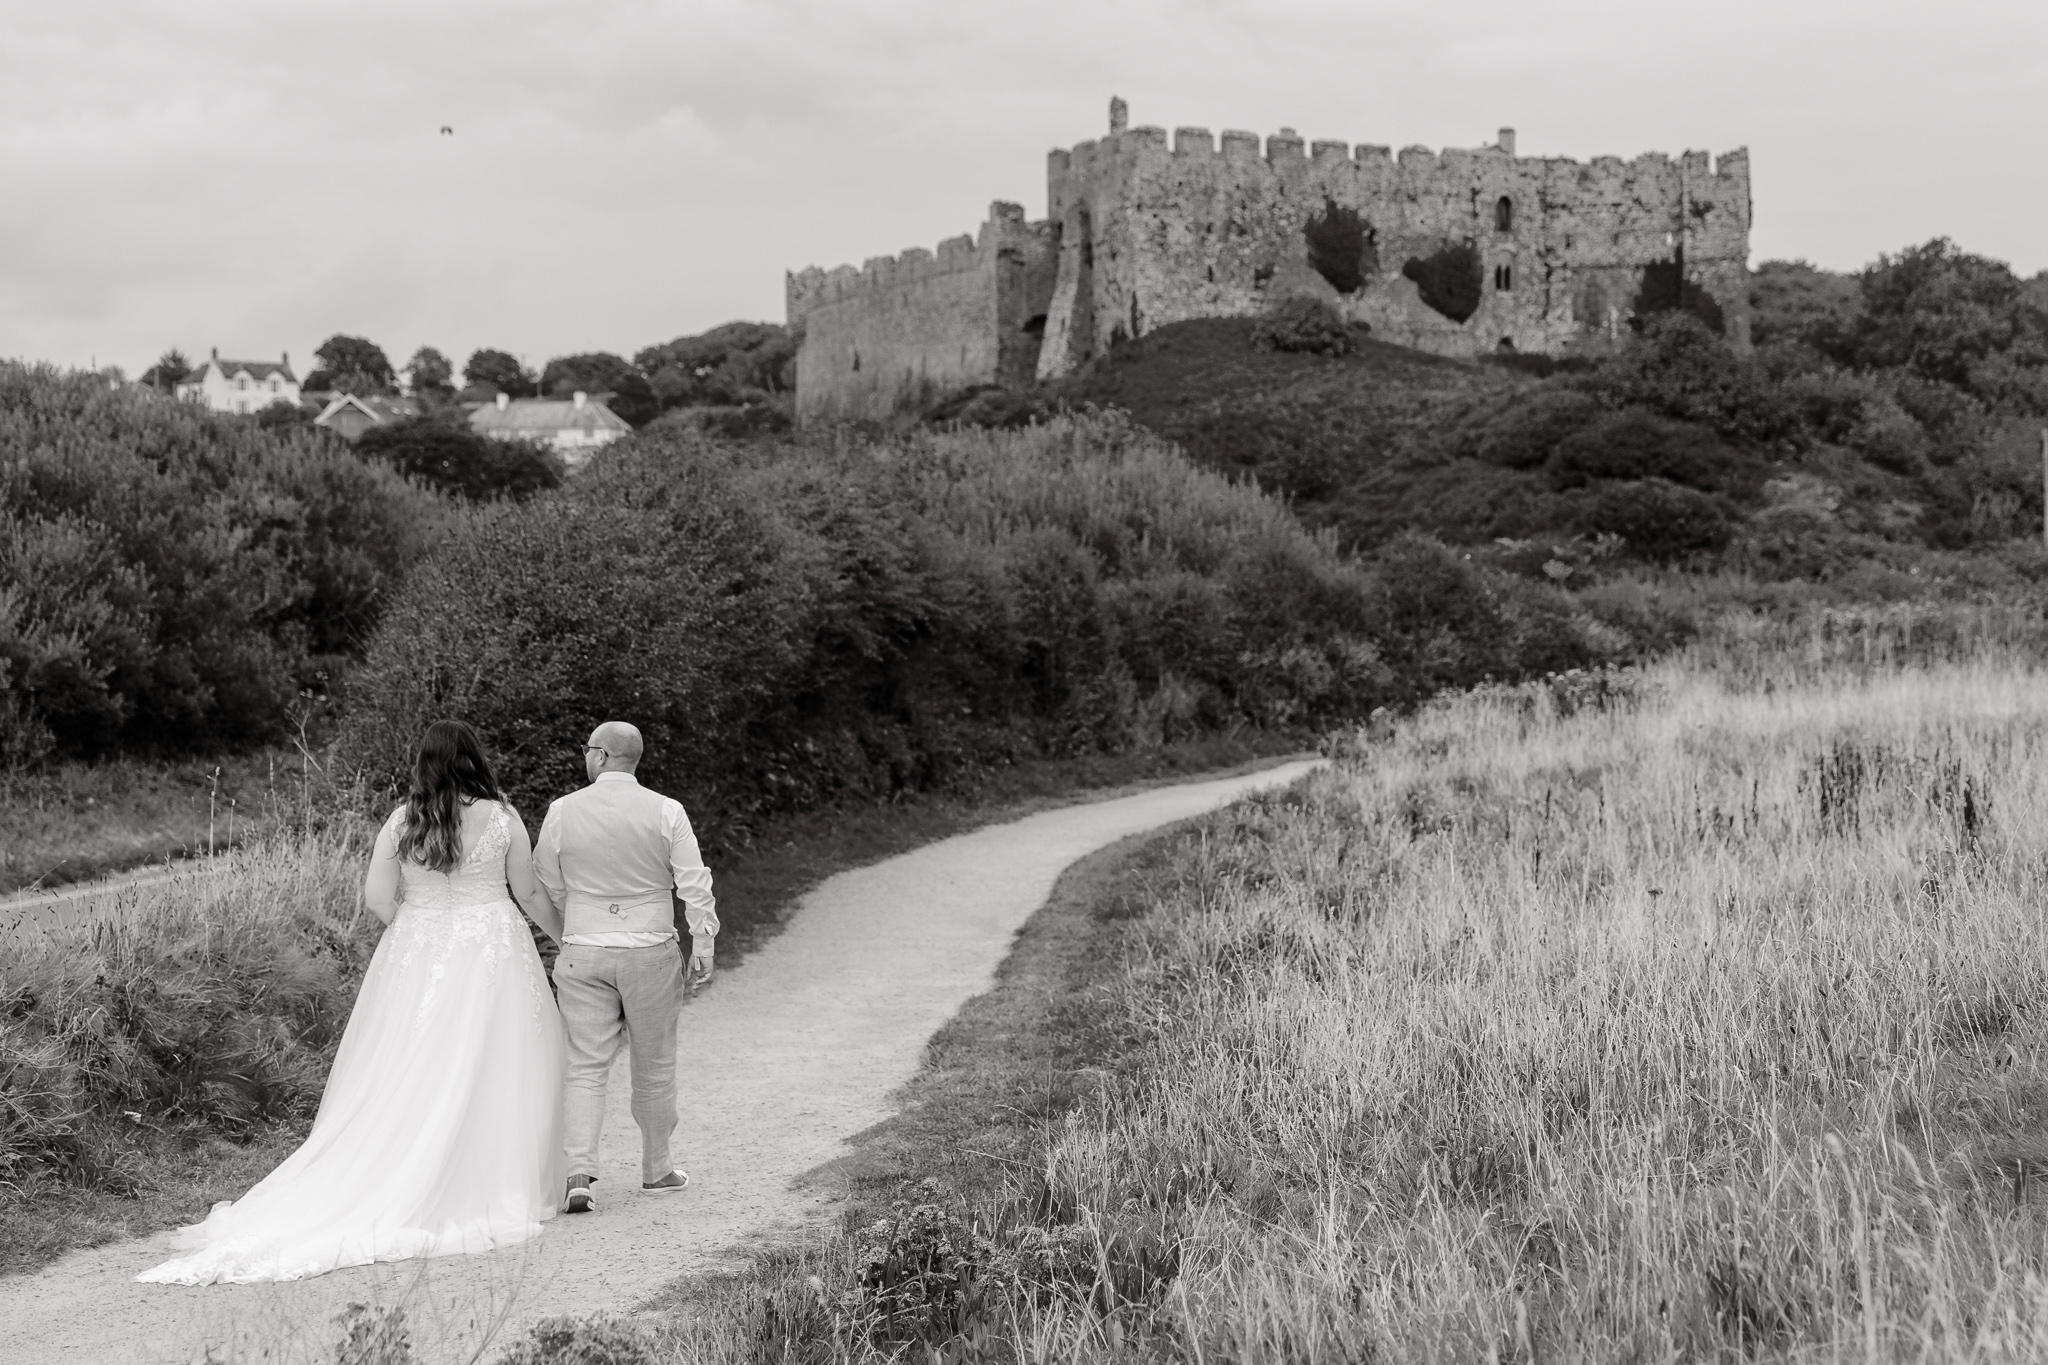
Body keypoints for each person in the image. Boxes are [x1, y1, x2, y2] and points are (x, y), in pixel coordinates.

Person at [138, 721, 568, 1285]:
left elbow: (375, 899)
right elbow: (529, 891)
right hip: (493, 947)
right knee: (501, 1056)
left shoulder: (402, 820)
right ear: (474, 758)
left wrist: (420, 934)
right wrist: (566, 940)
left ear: (425, 762)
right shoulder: (504, 817)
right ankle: (498, 1176)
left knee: (411, 1061)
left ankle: (409, 1160)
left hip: (417, 952)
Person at [533, 720, 716, 1214]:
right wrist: (703, 940)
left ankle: (579, 1174)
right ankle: (657, 1170)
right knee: (654, 1064)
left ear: (600, 756)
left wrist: (575, 921)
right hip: (650, 949)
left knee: (585, 1065)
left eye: (586, 749)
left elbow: (545, 879)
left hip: (584, 948)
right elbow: (693, 881)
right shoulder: (666, 810)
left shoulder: (562, 811)